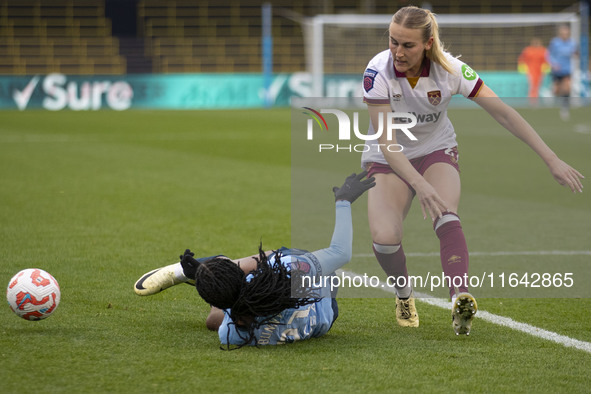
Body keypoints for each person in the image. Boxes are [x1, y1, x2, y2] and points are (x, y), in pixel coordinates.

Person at [361, 6, 584, 335]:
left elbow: (504, 113)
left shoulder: (451, 70)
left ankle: (459, 298)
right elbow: (389, 146)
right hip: (387, 157)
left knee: (447, 214)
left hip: (436, 149)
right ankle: (404, 294)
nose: (397, 51)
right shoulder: (377, 72)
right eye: (393, 41)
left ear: (428, 43)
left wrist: (551, 158)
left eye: (407, 45)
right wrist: (419, 184)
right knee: (385, 238)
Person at [134, 172, 375, 348]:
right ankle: (214, 266)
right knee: (272, 258)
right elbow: (341, 253)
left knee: (212, 321)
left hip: (324, 321)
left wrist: (216, 288)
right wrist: (343, 201)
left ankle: (202, 274)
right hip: (322, 297)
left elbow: (218, 316)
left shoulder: (229, 334)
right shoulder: (291, 272)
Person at [546, 24, 578, 120]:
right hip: (557, 69)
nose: (564, 35)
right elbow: (549, 54)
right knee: (556, 90)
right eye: (563, 33)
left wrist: (576, 54)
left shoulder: (572, 43)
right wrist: (553, 64)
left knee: (567, 88)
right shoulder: (555, 42)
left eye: (566, 33)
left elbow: (576, 53)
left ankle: (565, 108)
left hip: (567, 69)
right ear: (560, 34)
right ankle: (551, 93)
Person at [518, 37, 549, 104]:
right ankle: (532, 101)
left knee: (537, 86)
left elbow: (546, 61)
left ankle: (535, 100)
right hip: (530, 71)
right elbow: (522, 59)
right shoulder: (527, 50)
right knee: (532, 86)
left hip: (540, 72)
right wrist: (523, 69)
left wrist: (546, 70)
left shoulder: (543, 50)